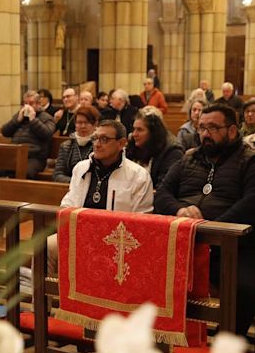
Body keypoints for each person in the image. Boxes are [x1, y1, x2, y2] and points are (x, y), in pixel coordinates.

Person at [155, 104, 255, 337]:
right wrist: (180, 210)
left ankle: (227, 346)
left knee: (245, 289)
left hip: (235, 249)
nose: (205, 134)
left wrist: (207, 229)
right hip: (182, 244)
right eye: (202, 128)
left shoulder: (254, 163)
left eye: (213, 128)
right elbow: (163, 195)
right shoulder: (188, 160)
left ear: (233, 131)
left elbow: (252, 206)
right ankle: (166, 339)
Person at [48, 120, 154, 275]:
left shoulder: (138, 176)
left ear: (121, 143)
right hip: (80, 236)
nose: (97, 144)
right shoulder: (81, 168)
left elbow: (143, 220)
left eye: (104, 139)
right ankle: (52, 299)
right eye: (95, 138)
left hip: (118, 243)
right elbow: (68, 203)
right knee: (46, 247)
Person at [1, 90, 55, 179]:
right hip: (15, 155)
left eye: (31, 103)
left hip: (35, 158)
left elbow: (47, 134)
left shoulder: (47, 118)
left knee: (25, 172)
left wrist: (33, 120)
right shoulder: (19, 116)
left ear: (38, 104)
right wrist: (17, 121)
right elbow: (5, 132)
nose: (27, 106)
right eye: (25, 103)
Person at [126, 106, 184, 188]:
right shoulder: (133, 145)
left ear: (153, 132)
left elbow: (165, 188)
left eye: (139, 130)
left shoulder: (172, 151)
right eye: (134, 129)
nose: (134, 134)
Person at [53, 106, 100, 183]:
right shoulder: (66, 146)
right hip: (70, 186)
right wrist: (76, 183)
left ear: (95, 124)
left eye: (87, 122)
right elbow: (57, 174)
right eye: (79, 122)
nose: (83, 126)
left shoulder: (100, 145)